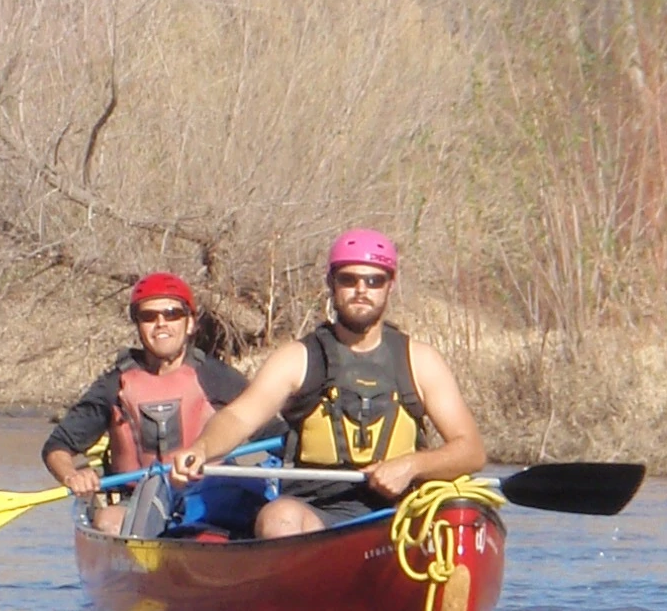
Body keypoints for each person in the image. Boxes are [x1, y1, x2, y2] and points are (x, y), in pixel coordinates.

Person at [170, 229, 485, 540]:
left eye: (374, 280)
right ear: (331, 283)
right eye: (349, 279)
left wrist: (412, 466)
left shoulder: (421, 361)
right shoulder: (298, 358)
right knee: (278, 518)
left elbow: (470, 450)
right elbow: (239, 417)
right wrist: (202, 449)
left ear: (390, 285)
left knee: (458, 512)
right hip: (314, 511)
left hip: (399, 511)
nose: (361, 289)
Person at [41, 272, 253, 535]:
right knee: (108, 522)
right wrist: (72, 476)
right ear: (138, 325)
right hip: (136, 500)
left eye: (172, 313)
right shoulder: (114, 385)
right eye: (149, 317)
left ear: (190, 323)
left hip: (210, 498)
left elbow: (278, 433)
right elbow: (56, 448)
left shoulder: (217, 377)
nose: (161, 324)